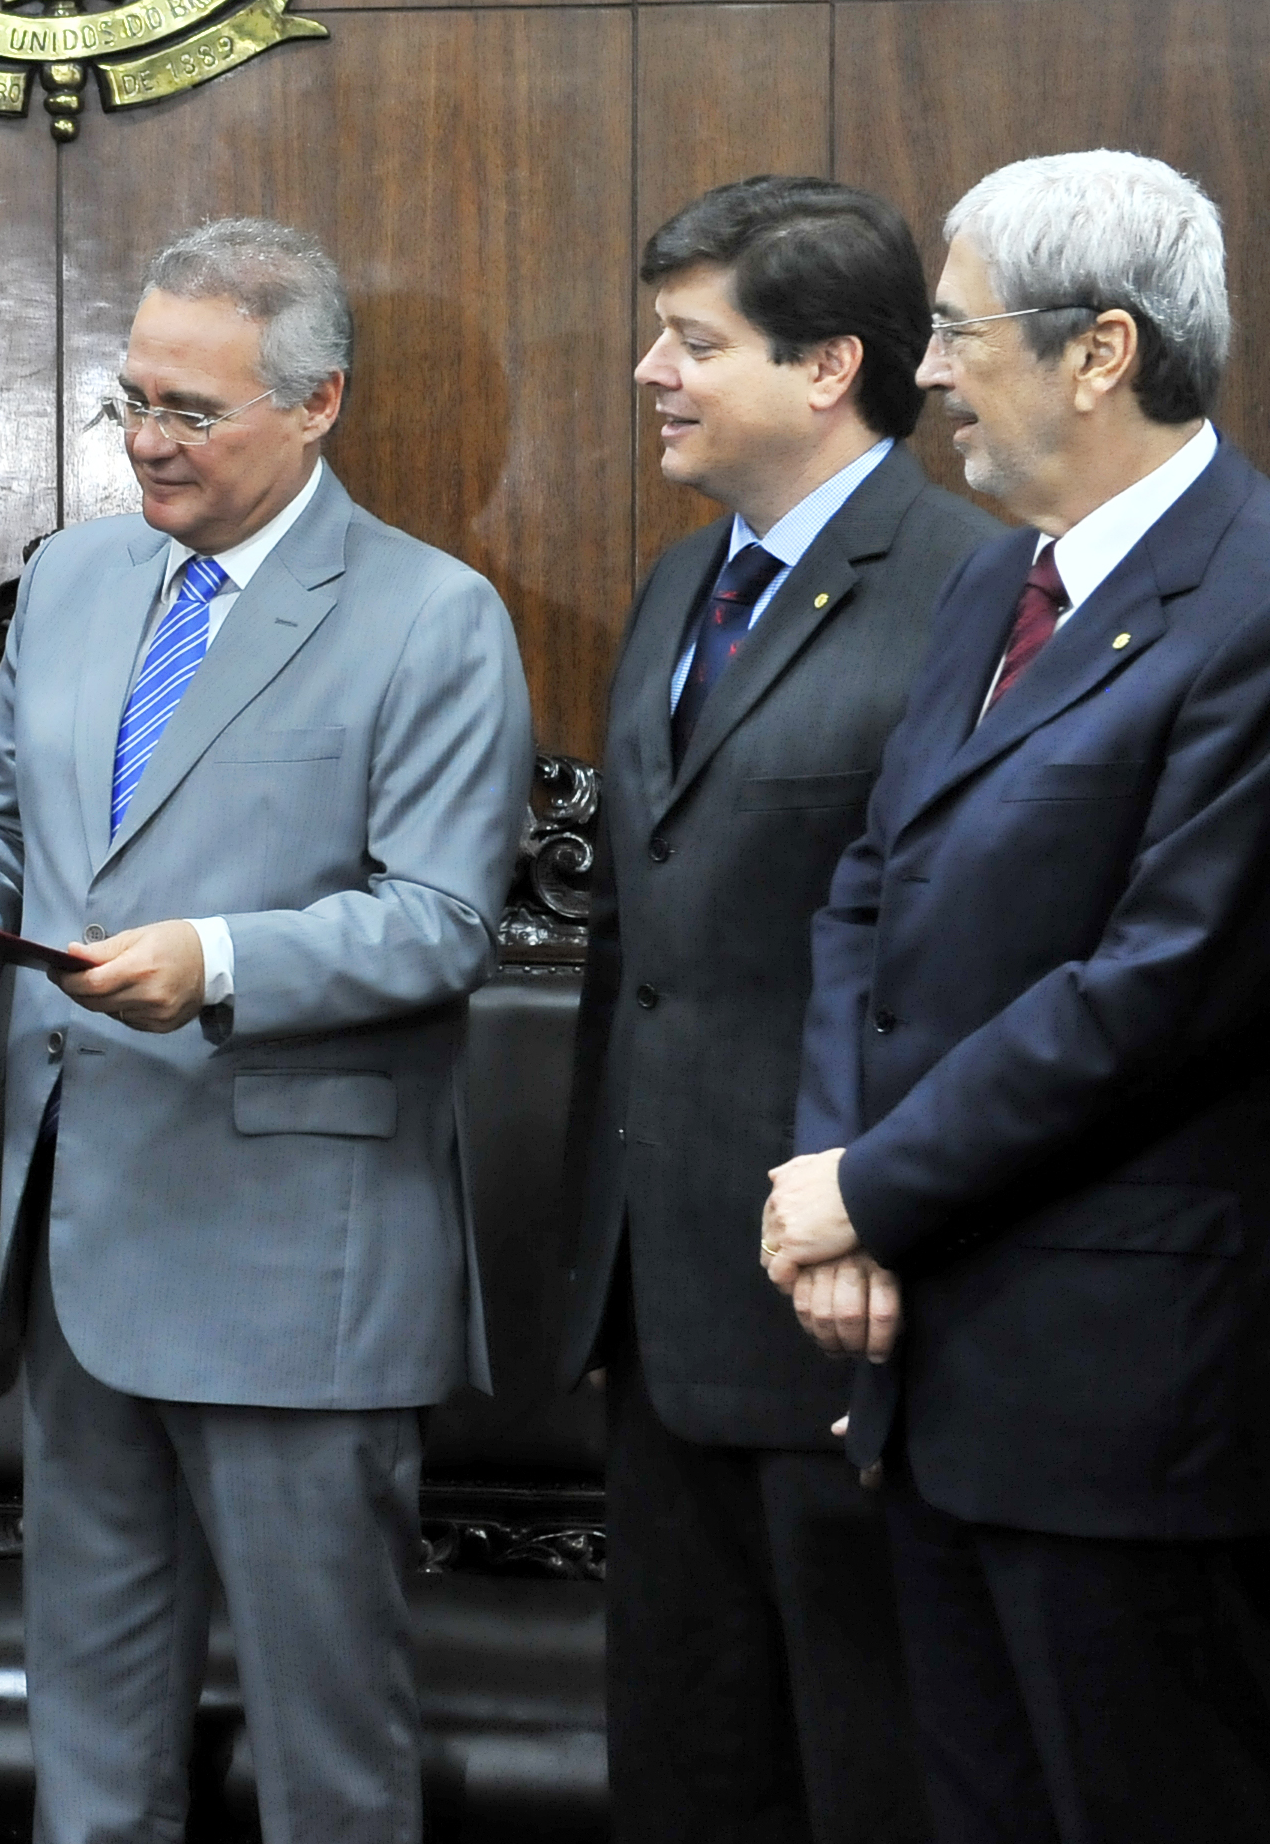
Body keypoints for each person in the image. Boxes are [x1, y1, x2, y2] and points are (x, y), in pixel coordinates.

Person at [0, 218, 530, 1844]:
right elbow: (0, 821)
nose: (149, 441)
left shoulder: (433, 618)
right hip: (82, 1244)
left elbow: (439, 921)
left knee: (330, 1765)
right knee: (88, 1755)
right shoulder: (80, 578)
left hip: (297, 1273)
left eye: (191, 411)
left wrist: (217, 959)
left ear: (317, 406)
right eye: (132, 402)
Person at [765, 149, 1270, 1844]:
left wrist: (871, 1186)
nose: (924, 372)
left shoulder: (1255, 599)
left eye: (954, 330)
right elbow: (868, 889)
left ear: (1099, 351)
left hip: (1129, 1392)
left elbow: (1161, 986)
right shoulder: (1000, 576)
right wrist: (839, 1193)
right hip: (933, 1360)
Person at [557, 177, 995, 1844]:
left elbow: (965, 967)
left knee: (866, 1772)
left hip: (855, 1297)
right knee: (684, 1763)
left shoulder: (973, 588)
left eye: (692, 343)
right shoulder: (680, 588)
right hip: (659, 1299)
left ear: (828, 367)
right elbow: (636, 939)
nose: (650, 372)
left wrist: (881, 1212)